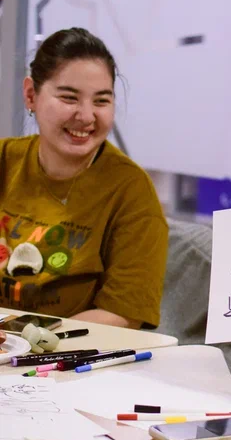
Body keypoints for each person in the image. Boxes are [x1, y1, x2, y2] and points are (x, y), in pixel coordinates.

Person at [0, 28, 168, 328]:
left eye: (101, 101)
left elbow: (123, 314)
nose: (87, 116)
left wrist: (28, 342)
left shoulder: (131, 191)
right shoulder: (4, 160)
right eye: (69, 98)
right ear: (31, 95)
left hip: (65, 351)